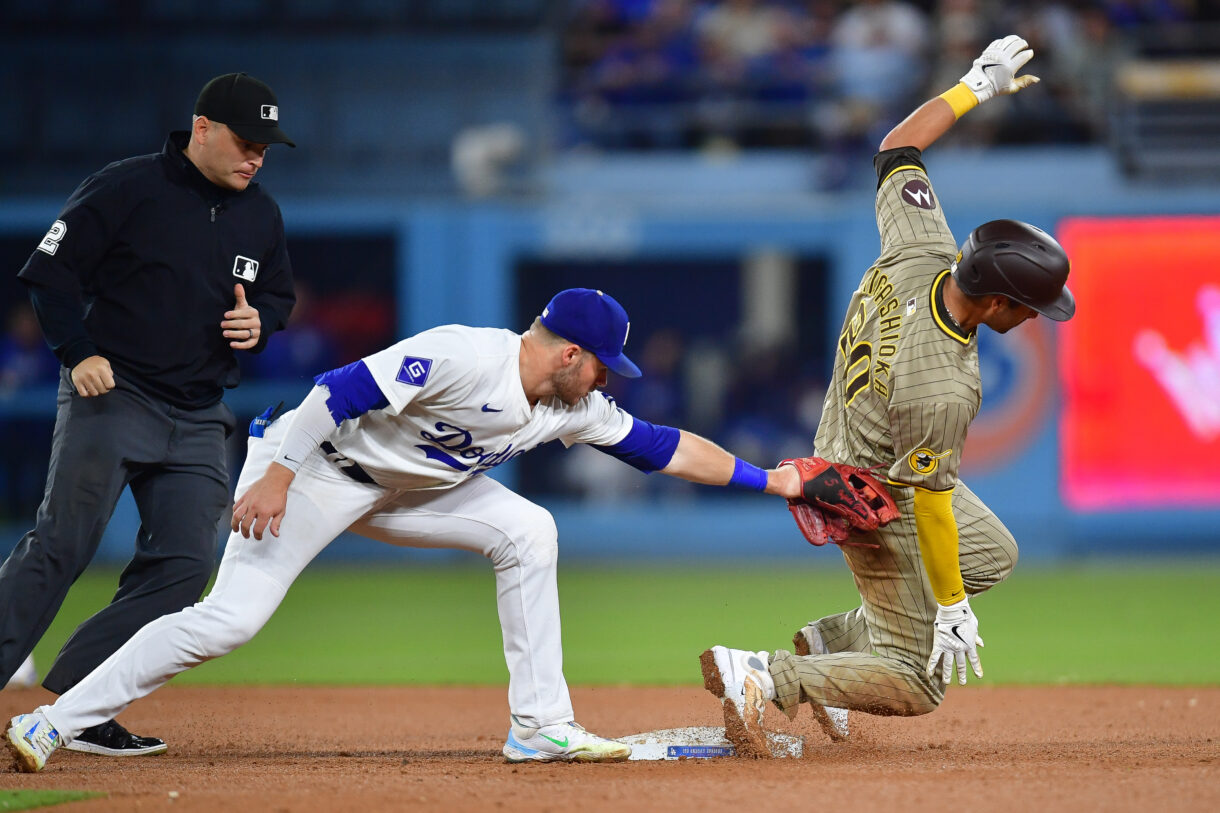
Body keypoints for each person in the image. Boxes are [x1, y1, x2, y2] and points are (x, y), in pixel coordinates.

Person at [4, 288, 806, 771]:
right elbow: (336, 390)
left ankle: (541, 727)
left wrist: (769, 479)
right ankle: (51, 719)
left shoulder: (573, 405)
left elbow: (665, 447)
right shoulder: (465, 357)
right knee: (230, 620)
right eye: (602, 366)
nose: (607, 381)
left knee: (529, 530)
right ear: (568, 353)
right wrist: (280, 473)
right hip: (314, 470)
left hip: (409, 494)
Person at [699, 35, 1076, 758]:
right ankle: (764, 676)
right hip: (870, 486)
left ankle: (828, 643)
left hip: (862, 447)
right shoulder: (945, 383)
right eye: (1030, 306)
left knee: (992, 553)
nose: (1034, 317)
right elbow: (928, 502)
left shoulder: (924, 247)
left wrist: (976, 85)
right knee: (920, 675)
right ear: (996, 301)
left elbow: (897, 148)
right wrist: (953, 607)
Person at [0, 73, 296, 756]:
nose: (256, 157)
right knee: (61, 545)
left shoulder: (262, 214)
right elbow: (48, 272)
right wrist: (76, 351)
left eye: (266, 148)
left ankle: (78, 706)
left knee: (184, 568)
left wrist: (263, 321)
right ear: (201, 129)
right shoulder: (127, 187)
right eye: (247, 142)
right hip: (116, 394)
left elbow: (277, 295)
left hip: (198, 414)